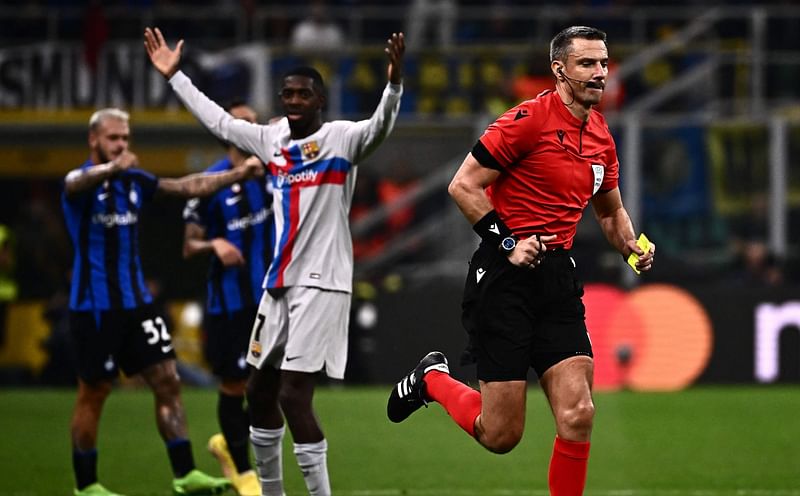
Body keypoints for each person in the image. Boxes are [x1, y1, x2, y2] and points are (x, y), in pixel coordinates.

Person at [386, 26, 655, 496]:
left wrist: (631, 245)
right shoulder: (528, 119)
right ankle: (432, 379)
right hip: (504, 277)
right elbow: (463, 185)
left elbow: (610, 212)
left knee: (579, 413)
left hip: (557, 279)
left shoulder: (601, 137)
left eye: (604, 63)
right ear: (559, 70)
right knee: (501, 435)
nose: (599, 73)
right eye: (587, 64)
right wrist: (509, 242)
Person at [144, 27, 404, 496]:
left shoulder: (341, 140)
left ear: (320, 99)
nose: (294, 99)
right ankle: (270, 492)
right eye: (287, 93)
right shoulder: (272, 141)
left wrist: (394, 84)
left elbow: (379, 128)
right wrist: (175, 76)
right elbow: (220, 123)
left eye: (304, 93)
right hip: (278, 283)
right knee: (256, 392)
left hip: (322, 284)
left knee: (292, 396)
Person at [63, 107, 262, 496]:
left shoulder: (135, 181)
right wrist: (112, 168)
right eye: (113, 138)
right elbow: (74, 183)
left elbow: (186, 187)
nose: (121, 145)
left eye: (125, 138)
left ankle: (185, 473)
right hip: (95, 307)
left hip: (138, 303)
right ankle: (86, 485)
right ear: (94, 140)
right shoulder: (82, 184)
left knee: (167, 379)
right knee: (95, 391)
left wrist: (237, 175)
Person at [181, 101, 273, 496]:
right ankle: (242, 468)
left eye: (255, 123)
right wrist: (215, 243)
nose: (252, 130)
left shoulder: (274, 173)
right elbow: (188, 245)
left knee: (272, 387)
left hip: (271, 300)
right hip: (229, 305)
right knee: (236, 383)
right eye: (244, 124)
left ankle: (232, 445)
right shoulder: (211, 183)